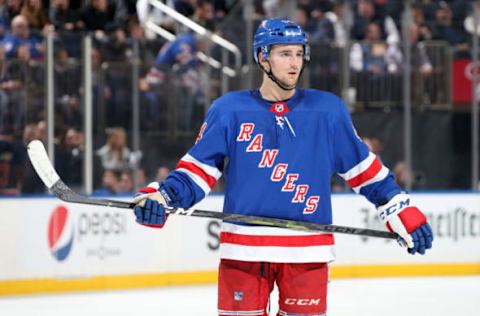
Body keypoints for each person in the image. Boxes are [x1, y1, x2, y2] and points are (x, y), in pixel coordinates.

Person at [132, 18, 434, 316]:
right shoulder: (229, 110)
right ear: (262, 57)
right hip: (244, 252)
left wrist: (397, 208)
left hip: (307, 253)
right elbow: (197, 172)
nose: (294, 63)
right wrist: (163, 197)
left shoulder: (326, 111)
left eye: (299, 54)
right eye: (285, 54)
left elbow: (364, 170)